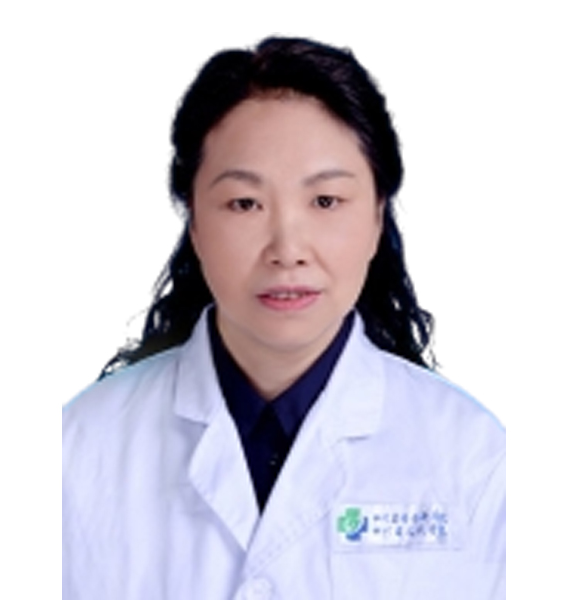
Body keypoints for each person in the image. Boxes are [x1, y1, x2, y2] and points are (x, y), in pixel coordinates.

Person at [62, 36, 505, 599]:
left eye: (325, 202)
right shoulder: (77, 448)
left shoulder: (476, 455)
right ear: (194, 222)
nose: (287, 249)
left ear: (377, 218)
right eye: (245, 203)